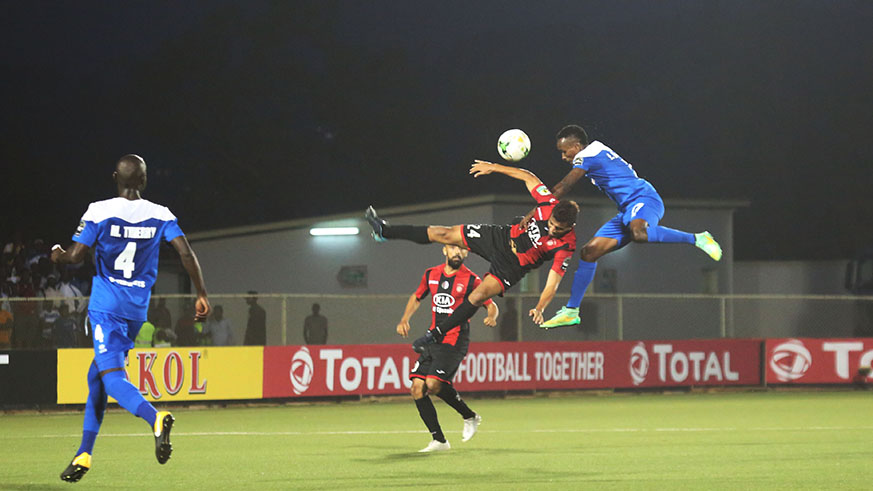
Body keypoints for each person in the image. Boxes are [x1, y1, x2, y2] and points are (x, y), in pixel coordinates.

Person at [51, 154, 210, 483]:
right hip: (136, 311)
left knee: (111, 379)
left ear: (115, 178)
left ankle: (156, 418)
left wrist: (57, 254)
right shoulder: (160, 214)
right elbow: (185, 252)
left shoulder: (99, 210)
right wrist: (201, 293)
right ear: (145, 180)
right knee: (96, 377)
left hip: (106, 308)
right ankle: (84, 453)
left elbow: (76, 256)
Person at [539, 125, 724, 329]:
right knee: (589, 252)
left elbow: (565, 186)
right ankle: (571, 311)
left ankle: (698, 238)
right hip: (628, 210)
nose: (564, 157)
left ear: (576, 146)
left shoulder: (587, 156)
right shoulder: (596, 150)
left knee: (639, 233)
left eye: (565, 151)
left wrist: (540, 207)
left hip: (644, 199)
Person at [366, 160, 577, 339]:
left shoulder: (566, 246)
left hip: (512, 265)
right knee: (445, 234)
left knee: (478, 295)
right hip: (501, 237)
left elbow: (552, 283)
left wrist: (540, 307)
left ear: (569, 227)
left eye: (558, 229)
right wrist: (493, 167)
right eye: (551, 224)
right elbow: (527, 176)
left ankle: (436, 335)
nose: (551, 229)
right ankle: (385, 231)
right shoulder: (548, 203)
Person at [397, 244, 498, 452]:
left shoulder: (472, 280)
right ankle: (439, 440)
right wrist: (405, 318)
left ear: (467, 253)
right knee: (417, 388)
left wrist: (491, 316)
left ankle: (469, 416)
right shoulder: (431, 274)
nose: (457, 252)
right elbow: (417, 297)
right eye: (453, 248)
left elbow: (490, 303)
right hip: (432, 339)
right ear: (445, 250)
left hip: (455, 340)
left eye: (461, 250)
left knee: (433, 384)